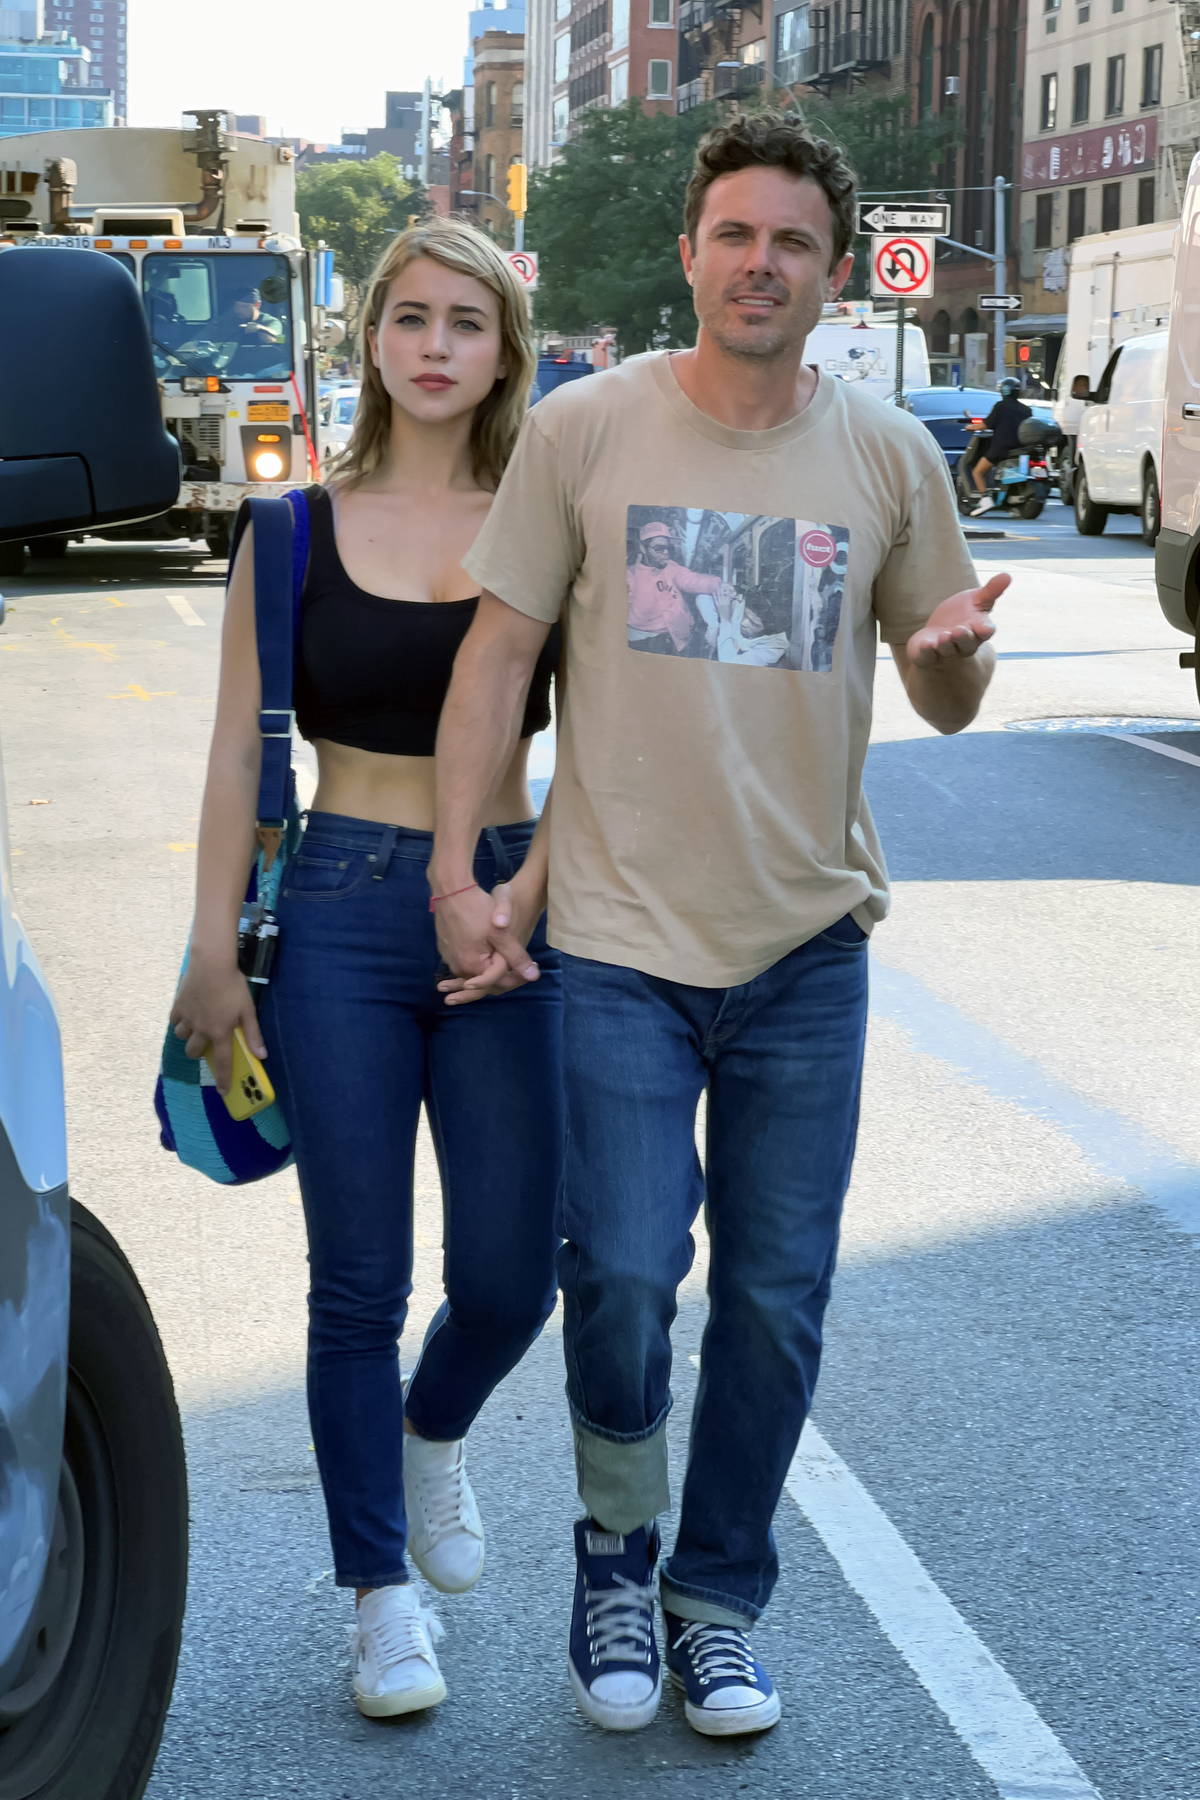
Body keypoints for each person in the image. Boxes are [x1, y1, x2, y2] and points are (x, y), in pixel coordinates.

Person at [428, 111, 1008, 1740]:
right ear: (692, 254)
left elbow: (947, 696)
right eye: (736, 235)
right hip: (613, 940)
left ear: (832, 271)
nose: (763, 263)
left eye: (794, 242)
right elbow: (498, 660)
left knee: (773, 1296)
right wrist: (458, 874)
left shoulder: (890, 455)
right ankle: (616, 1555)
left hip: (804, 953)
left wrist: (956, 648)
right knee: (616, 1273)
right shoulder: (587, 433)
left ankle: (715, 1602)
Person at [169, 218, 562, 1720]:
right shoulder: (288, 530)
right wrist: (217, 951)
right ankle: (380, 1599)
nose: (439, 346)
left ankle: (432, 1431)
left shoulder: (548, 528)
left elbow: (595, 743)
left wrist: (529, 890)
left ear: (503, 352)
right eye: (413, 319)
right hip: (333, 907)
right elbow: (231, 749)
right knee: (356, 1281)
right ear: (376, 341)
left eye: (470, 322)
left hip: (511, 914)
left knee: (517, 1275)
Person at [626, 520, 726, 654]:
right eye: (659, 548)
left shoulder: (671, 567)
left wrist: (719, 585)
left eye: (668, 548)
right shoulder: (629, 576)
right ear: (643, 548)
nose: (666, 552)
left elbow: (692, 580)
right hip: (644, 645)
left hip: (680, 642)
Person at [970, 375, 1032, 515]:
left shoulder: (1001, 406)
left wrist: (970, 427)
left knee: (977, 472)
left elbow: (986, 424)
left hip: (1001, 448)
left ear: (1004, 391)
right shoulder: (1026, 410)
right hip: (1020, 448)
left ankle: (985, 500)